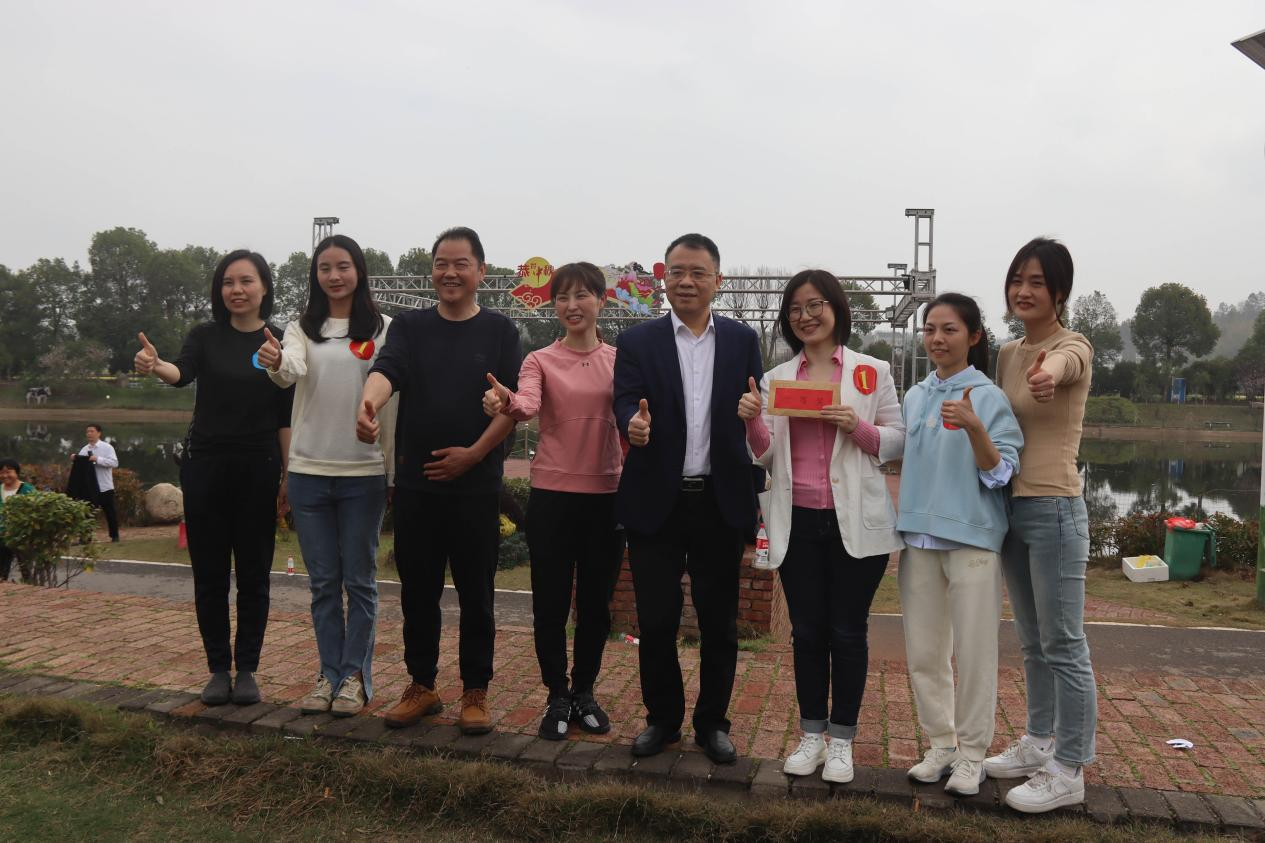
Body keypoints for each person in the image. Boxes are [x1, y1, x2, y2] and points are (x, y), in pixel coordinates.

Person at [737, 270, 905, 783]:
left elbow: (897, 441)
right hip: (798, 521)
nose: (805, 316)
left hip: (856, 523)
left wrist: (857, 426)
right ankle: (812, 734)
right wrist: (751, 419)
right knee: (807, 633)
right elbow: (766, 454)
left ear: (836, 308)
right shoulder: (777, 379)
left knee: (848, 632)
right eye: (795, 309)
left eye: (815, 305)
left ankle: (842, 741)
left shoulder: (871, 372)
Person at [359, 226, 521, 736]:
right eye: (441, 264)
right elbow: (387, 370)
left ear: (481, 271)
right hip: (417, 486)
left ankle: (476, 691)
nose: (449, 273)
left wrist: (473, 455)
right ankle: (422, 685)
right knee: (418, 592)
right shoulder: (410, 326)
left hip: (477, 487)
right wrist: (369, 404)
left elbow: (513, 406)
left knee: (477, 593)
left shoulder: (500, 330)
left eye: (460, 264)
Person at [612, 232, 763, 764]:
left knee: (719, 622)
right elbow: (624, 401)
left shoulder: (743, 340)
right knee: (656, 620)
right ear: (664, 279)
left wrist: (754, 408)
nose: (687, 281)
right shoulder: (638, 341)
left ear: (718, 280)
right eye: (677, 271)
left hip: (719, 500)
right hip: (656, 499)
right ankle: (662, 720)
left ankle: (713, 724)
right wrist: (632, 424)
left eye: (698, 272)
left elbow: (755, 402)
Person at [134, 250, 294, 707]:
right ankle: (218, 670)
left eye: (246, 281)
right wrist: (156, 364)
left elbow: (285, 415)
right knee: (209, 575)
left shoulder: (280, 341)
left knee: (254, 575)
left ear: (264, 286)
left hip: (259, 468)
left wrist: (288, 475)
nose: (236, 290)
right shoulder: (205, 336)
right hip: (205, 466)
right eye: (228, 282)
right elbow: (181, 373)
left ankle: (248, 670)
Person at [482, 261, 625, 741]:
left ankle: (584, 691)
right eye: (562, 297)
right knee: (550, 603)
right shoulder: (539, 360)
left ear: (601, 300)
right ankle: (557, 694)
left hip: (606, 497)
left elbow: (634, 413)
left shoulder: (620, 360)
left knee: (596, 605)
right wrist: (506, 402)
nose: (571, 305)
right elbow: (527, 403)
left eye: (582, 295)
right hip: (552, 499)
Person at [260, 235, 397, 719]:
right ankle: (328, 674)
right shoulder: (301, 327)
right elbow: (290, 368)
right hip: (308, 471)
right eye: (324, 268)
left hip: (364, 471)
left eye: (343, 266)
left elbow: (392, 389)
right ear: (315, 275)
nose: (334, 276)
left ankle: (355, 678)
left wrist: (391, 467)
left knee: (359, 581)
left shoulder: (384, 328)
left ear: (359, 271)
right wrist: (278, 360)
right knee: (323, 584)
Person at [984, 238, 1096, 813]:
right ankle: (1039, 741)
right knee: (1032, 640)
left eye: (1036, 282)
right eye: (1016, 280)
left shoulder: (1072, 345)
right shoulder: (1007, 353)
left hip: (1054, 508)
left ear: (1059, 292)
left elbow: (1061, 365)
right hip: (1011, 508)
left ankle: (1070, 767)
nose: (1023, 291)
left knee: (1063, 643)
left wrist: (1046, 375)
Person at [896, 293, 1023, 797]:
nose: (937, 338)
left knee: (974, 653)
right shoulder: (914, 395)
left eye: (949, 329)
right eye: (930, 329)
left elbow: (1002, 473)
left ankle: (972, 754)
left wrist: (974, 428)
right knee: (925, 652)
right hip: (919, 539)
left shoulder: (989, 398)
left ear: (973, 337)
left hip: (972, 539)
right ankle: (941, 744)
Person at [75, 423, 120, 542]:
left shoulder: (107, 448)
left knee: (110, 513)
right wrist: (76, 459)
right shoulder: (84, 449)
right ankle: (85, 538)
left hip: (105, 486)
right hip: (90, 488)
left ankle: (115, 536)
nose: (89, 434)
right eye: (87, 432)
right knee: (87, 513)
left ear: (99, 433)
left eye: (92, 431)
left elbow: (114, 463)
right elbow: (80, 468)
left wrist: (97, 459)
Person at [0, 459, 35, 581]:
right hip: (1, 540)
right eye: (1, 472)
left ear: (16, 472)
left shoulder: (28, 490)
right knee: (2, 574)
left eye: (8, 472)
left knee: (26, 572)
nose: (5, 475)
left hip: (22, 538)